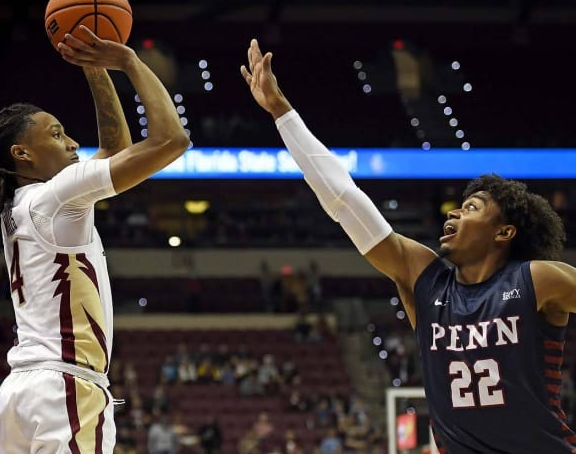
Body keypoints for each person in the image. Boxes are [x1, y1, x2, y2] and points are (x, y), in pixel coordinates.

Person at [241, 37, 576, 453]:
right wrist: (281, 112)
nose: (453, 214)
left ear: (504, 232)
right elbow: (345, 200)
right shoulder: (427, 280)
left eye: (471, 208)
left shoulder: (537, 279)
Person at [0, 26, 189, 453]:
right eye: (55, 134)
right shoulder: (56, 198)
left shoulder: (21, 205)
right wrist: (127, 62)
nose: (72, 142)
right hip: (64, 387)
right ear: (22, 153)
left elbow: (116, 150)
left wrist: (95, 70)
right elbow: (171, 141)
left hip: (21, 393)